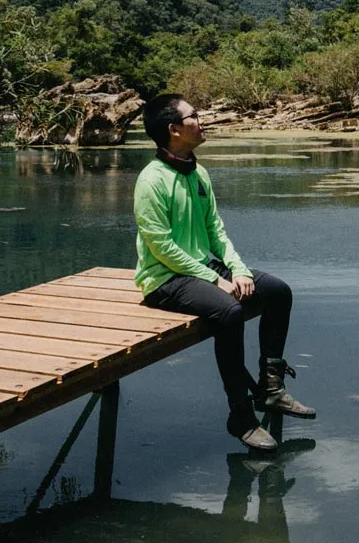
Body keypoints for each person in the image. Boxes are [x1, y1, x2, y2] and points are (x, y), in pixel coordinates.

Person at [134, 93, 315, 451]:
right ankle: (240, 415)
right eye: (194, 117)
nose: (202, 121)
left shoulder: (198, 172)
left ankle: (271, 389)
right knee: (228, 312)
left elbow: (216, 230)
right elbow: (161, 247)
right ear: (173, 130)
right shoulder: (151, 180)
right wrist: (215, 280)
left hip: (203, 267)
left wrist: (238, 270)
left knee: (277, 291)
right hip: (164, 278)